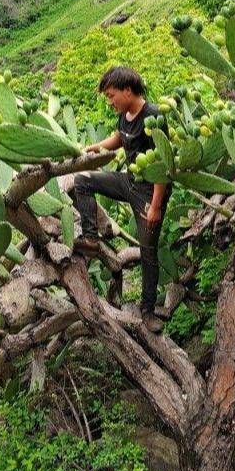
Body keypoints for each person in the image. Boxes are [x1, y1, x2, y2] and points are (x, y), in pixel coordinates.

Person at [73, 66, 172, 333]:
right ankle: (91, 238)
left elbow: (163, 164)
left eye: (111, 95)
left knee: (148, 253)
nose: (110, 101)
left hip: (150, 194)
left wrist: (155, 206)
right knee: (82, 181)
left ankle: (148, 311)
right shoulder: (125, 114)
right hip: (129, 181)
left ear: (128, 90)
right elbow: (120, 138)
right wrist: (98, 147)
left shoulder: (153, 117)